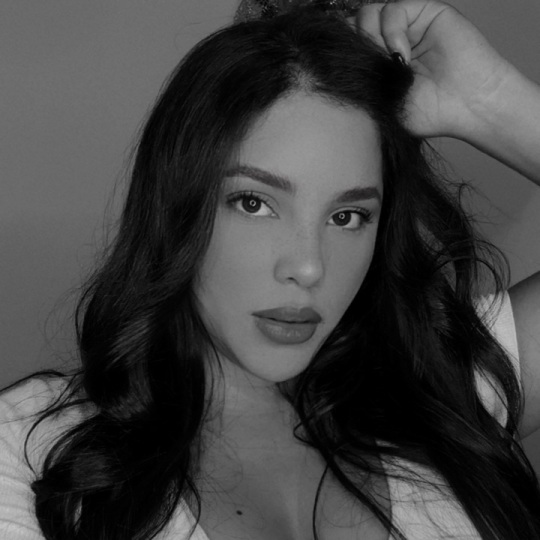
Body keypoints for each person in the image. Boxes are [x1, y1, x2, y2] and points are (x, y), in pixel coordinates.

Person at [1, 0, 540, 538]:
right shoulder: (29, 449)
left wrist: (490, 100)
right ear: (176, 207)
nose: (308, 267)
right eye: (254, 203)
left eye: (348, 216)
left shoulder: (440, 384)